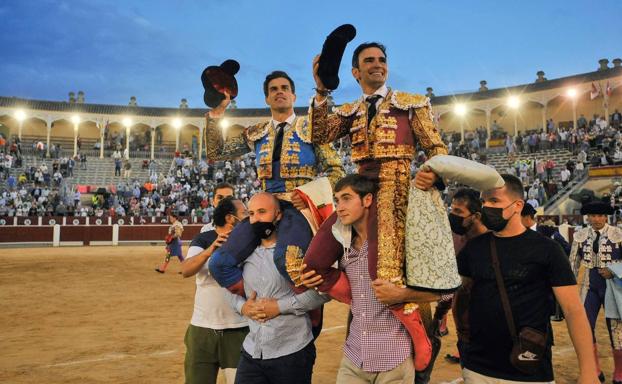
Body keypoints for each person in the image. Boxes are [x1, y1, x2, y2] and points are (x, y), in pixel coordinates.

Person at [306, 41, 447, 373]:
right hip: (359, 187)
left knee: (384, 273)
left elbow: (435, 146)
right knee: (314, 261)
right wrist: (321, 90)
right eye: (369, 60)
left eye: (381, 60)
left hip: (396, 190)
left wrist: (432, 173)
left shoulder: (411, 103)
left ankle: (420, 334)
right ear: (355, 72)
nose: (377, 64)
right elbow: (318, 134)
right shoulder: (351, 109)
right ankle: (365, 308)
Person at [454, 174, 598, 383]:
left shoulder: (548, 249)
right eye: (484, 201)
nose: (486, 207)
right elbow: (462, 293)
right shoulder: (474, 248)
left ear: (517, 205)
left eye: (494, 201)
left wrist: (588, 371)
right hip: (477, 367)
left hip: (527, 366)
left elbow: (573, 310)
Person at [300, 175, 439, 383]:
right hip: (354, 355)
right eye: (337, 200)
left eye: (347, 198)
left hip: (394, 360)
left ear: (367, 200)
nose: (339, 207)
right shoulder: (342, 247)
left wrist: (402, 294)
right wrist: (317, 284)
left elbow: (443, 291)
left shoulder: (399, 244)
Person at [219, 192, 328, 384]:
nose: (256, 219)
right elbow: (224, 287)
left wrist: (280, 307)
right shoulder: (242, 254)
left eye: (262, 212)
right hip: (252, 350)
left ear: (278, 215)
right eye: (251, 214)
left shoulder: (297, 254)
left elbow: (323, 293)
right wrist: (242, 307)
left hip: (292, 352)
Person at [206, 70, 344, 204]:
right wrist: (218, 112)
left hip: (303, 211)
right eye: (273, 89)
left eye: (285, 88)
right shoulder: (257, 133)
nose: (279, 91)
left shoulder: (313, 128)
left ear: (293, 96)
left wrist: (310, 196)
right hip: (268, 211)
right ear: (267, 99)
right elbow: (216, 153)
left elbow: (337, 171)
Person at [182, 197, 249, 384]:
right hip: (202, 329)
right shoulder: (204, 238)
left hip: (239, 328)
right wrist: (210, 249)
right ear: (230, 218)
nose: (248, 217)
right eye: (244, 213)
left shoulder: (250, 241)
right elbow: (186, 270)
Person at [570, 201, 622, 383]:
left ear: (606, 217)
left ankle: (619, 373)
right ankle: (595, 370)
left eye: (600, 215)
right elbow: (572, 265)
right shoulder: (580, 235)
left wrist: (614, 270)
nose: (596, 219)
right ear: (587, 217)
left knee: (616, 328)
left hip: (614, 286)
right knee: (585, 326)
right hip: (589, 286)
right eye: (592, 216)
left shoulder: (618, 234)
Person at [436, 188, 488, 366]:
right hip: (462, 317)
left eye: (459, 211)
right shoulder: (455, 237)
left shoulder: (491, 241)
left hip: (486, 315)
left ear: (476, 216)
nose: (453, 215)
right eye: (452, 210)